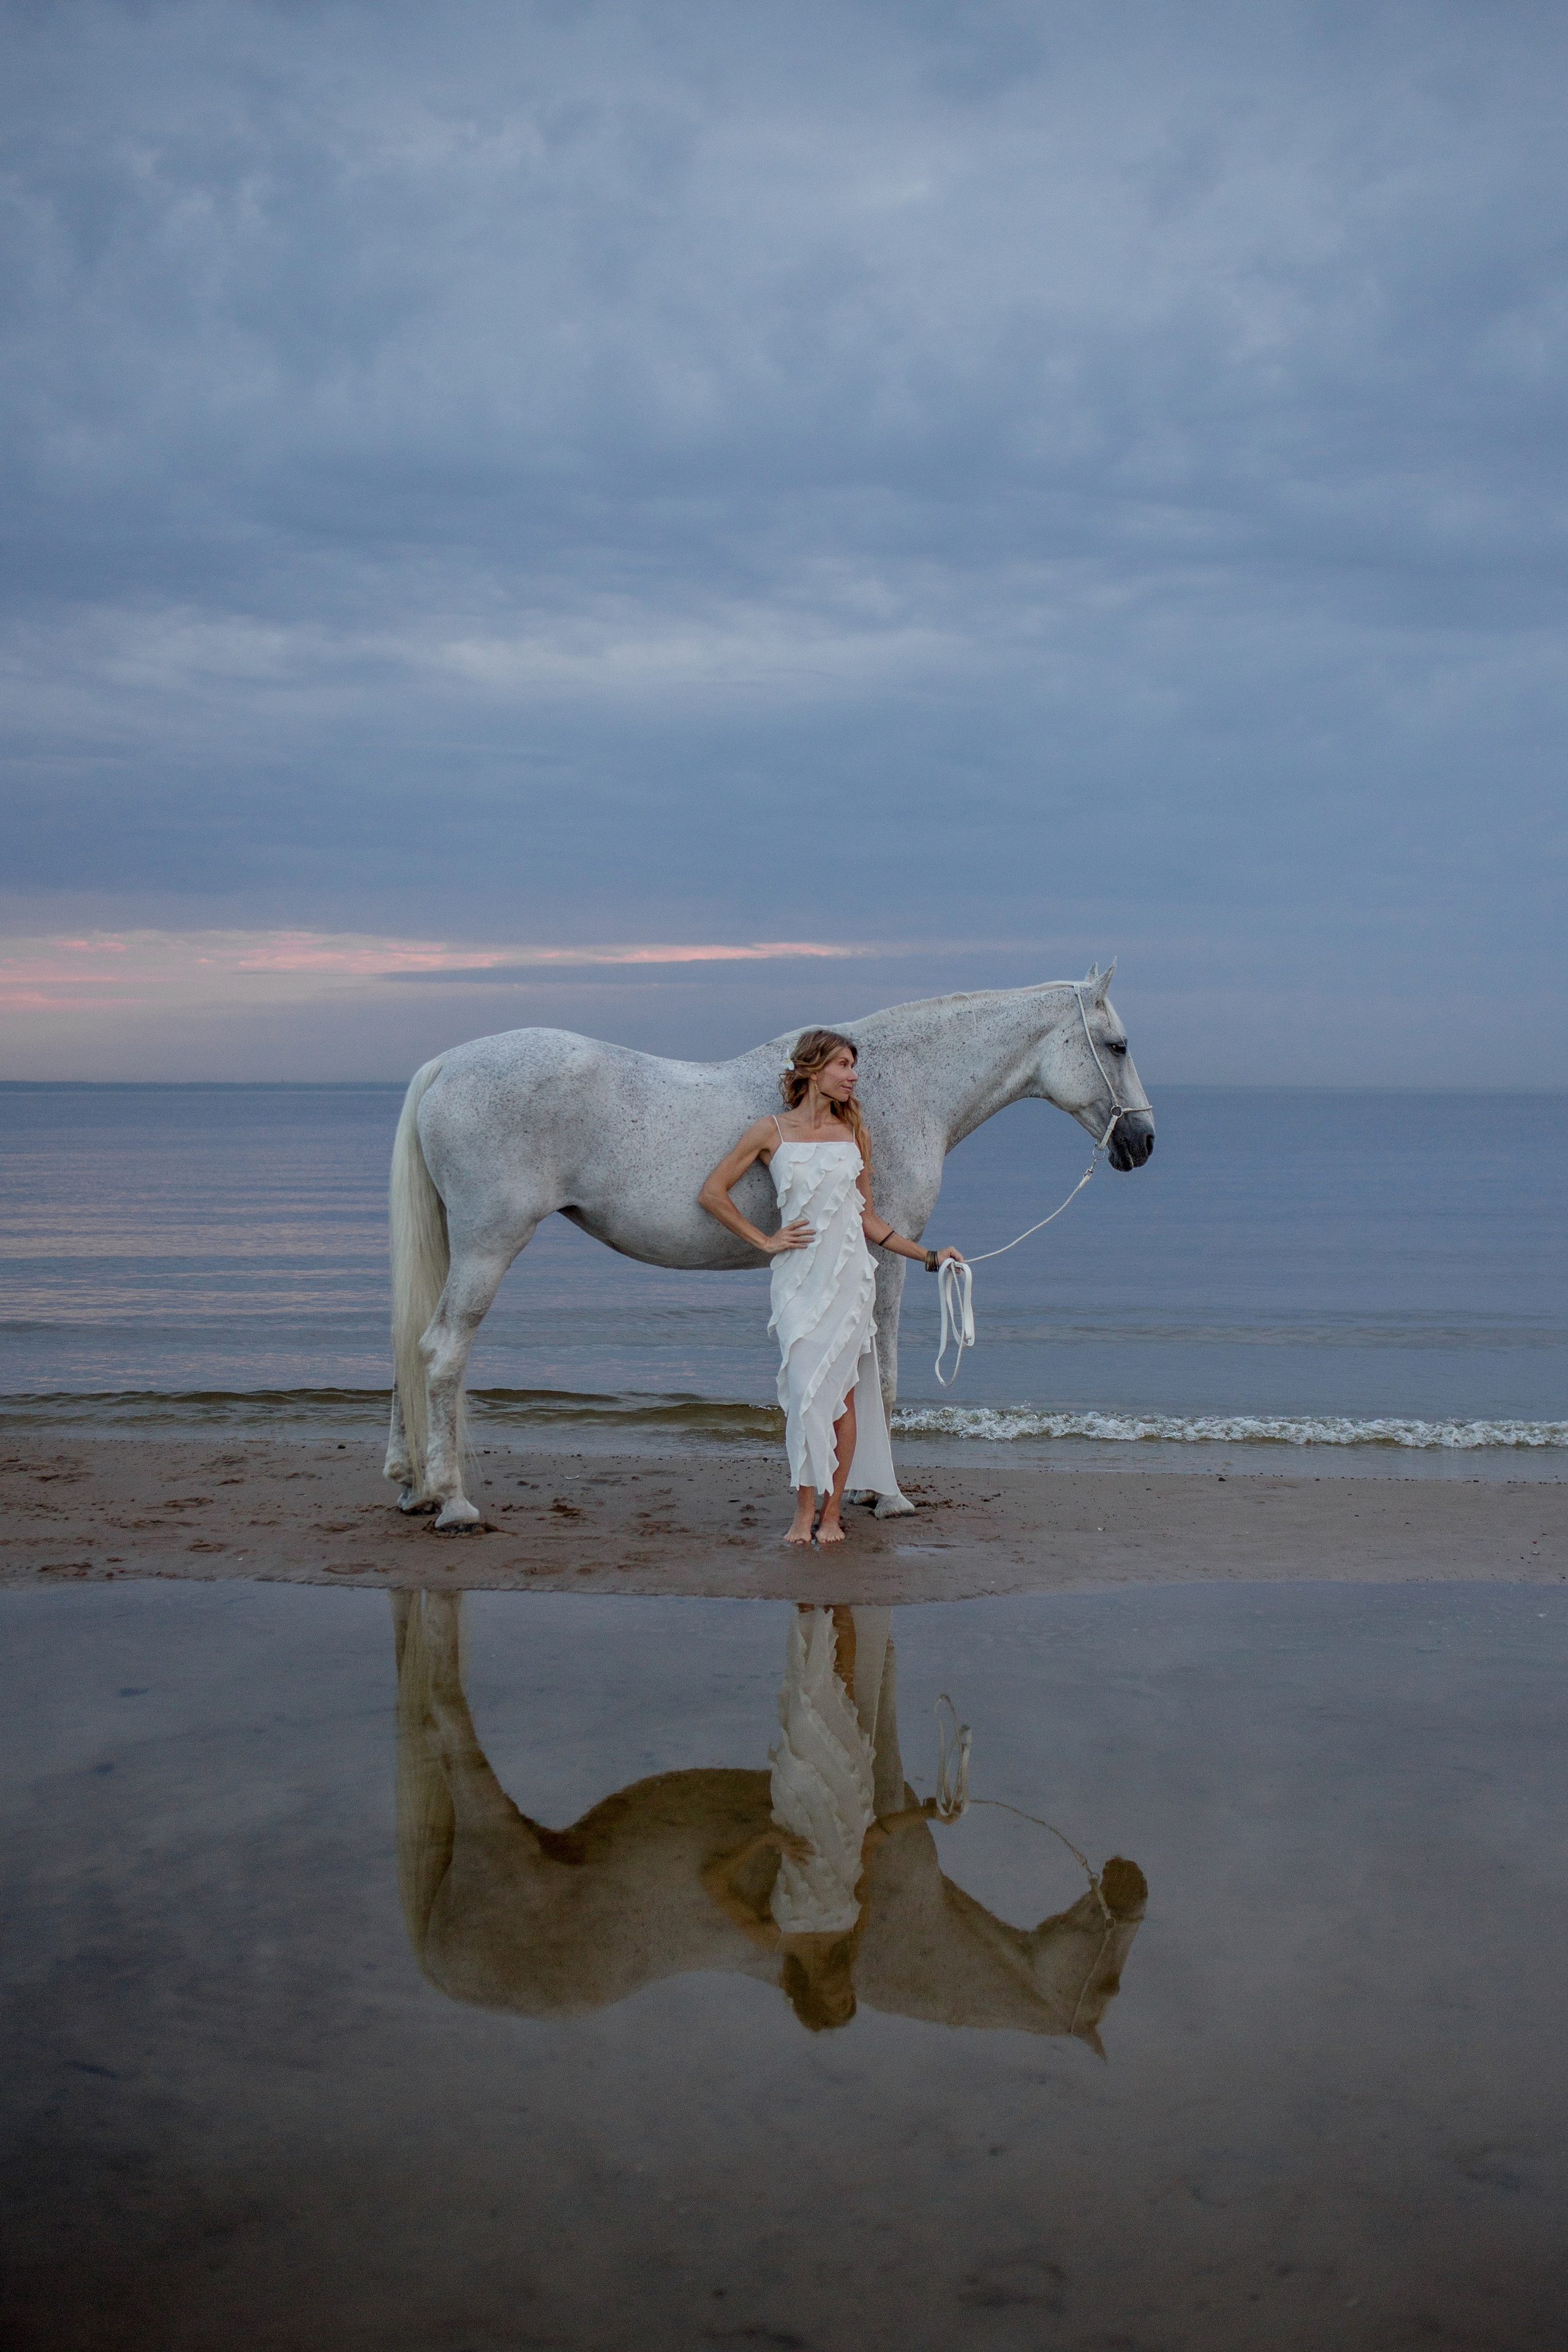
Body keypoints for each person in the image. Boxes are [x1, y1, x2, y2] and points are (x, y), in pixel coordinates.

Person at [698, 1027, 963, 1546]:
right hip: (798, 1280)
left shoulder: (855, 1135)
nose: (853, 1075)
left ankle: (832, 1514)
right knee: (804, 1396)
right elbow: (713, 1193)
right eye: (844, 1065)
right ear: (813, 1069)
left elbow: (869, 1221)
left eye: (853, 1066)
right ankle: (802, 1512)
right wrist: (765, 1240)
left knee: (841, 1397)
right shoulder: (768, 1131)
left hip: (849, 1282)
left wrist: (930, 1256)